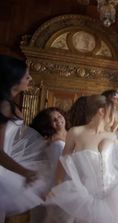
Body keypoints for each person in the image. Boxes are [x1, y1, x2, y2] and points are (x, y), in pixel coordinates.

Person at [47, 95, 118, 223]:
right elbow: (63, 162)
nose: (115, 117)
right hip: (86, 196)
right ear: (101, 111)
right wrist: (58, 186)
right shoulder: (76, 133)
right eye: (112, 113)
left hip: (114, 194)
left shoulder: (112, 136)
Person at [0, 55, 49, 222]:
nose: (30, 78)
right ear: (13, 78)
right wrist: (25, 172)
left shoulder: (10, 104)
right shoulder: (3, 105)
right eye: (26, 75)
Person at [29, 107, 68, 223]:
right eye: (53, 120)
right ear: (48, 125)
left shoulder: (72, 134)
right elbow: (56, 169)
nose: (58, 120)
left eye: (59, 116)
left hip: (68, 183)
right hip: (55, 184)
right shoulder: (52, 142)